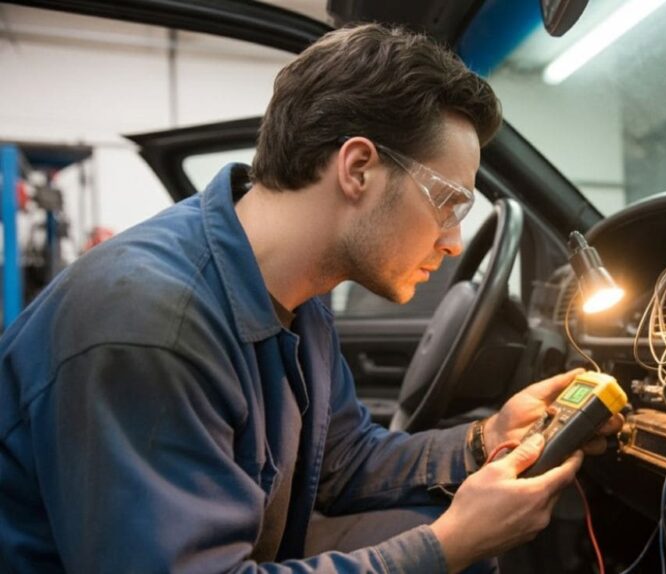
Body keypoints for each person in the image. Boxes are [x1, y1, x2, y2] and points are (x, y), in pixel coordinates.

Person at [0, 23, 622, 573]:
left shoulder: (297, 289)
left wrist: (483, 440)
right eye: (449, 202)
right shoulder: (150, 324)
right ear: (357, 168)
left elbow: (340, 462)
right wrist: (446, 546)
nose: (455, 242)